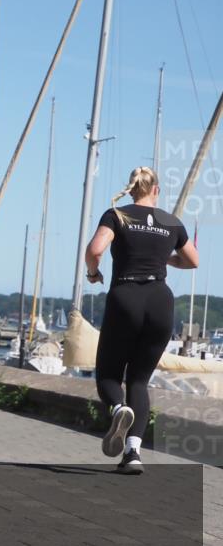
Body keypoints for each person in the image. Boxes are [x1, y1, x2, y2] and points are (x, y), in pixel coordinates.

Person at [84, 166, 198, 474]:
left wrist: (93, 274)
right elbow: (192, 260)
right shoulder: (172, 222)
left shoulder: (117, 215)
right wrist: (165, 259)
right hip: (160, 299)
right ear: (156, 190)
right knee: (139, 380)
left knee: (109, 374)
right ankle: (133, 454)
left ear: (131, 188)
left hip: (126, 295)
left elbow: (95, 250)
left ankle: (119, 409)